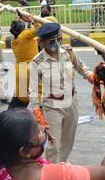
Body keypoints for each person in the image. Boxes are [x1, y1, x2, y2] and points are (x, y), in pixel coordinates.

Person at [29, 23, 95, 163]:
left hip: (71, 101)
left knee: (68, 140)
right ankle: (52, 171)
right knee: (53, 144)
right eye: (52, 41)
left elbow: (82, 67)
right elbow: (33, 90)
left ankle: (62, 165)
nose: (56, 43)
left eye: (59, 39)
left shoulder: (68, 52)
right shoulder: (36, 62)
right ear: (41, 42)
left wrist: (91, 77)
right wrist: (36, 111)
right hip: (52, 106)